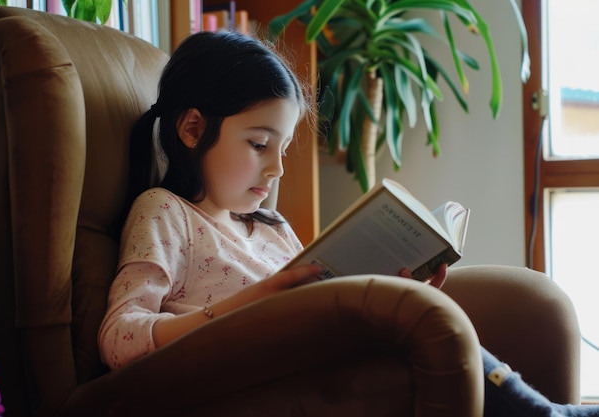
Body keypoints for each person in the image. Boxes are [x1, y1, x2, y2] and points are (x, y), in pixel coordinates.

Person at [98, 30, 599, 417]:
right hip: (261, 377)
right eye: (258, 144)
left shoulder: (270, 228)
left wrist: (396, 282)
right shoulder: (165, 212)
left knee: (444, 318)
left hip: (328, 349)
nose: (277, 169)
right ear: (192, 128)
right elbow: (121, 338)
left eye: (284, 148)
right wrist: (256, 300)